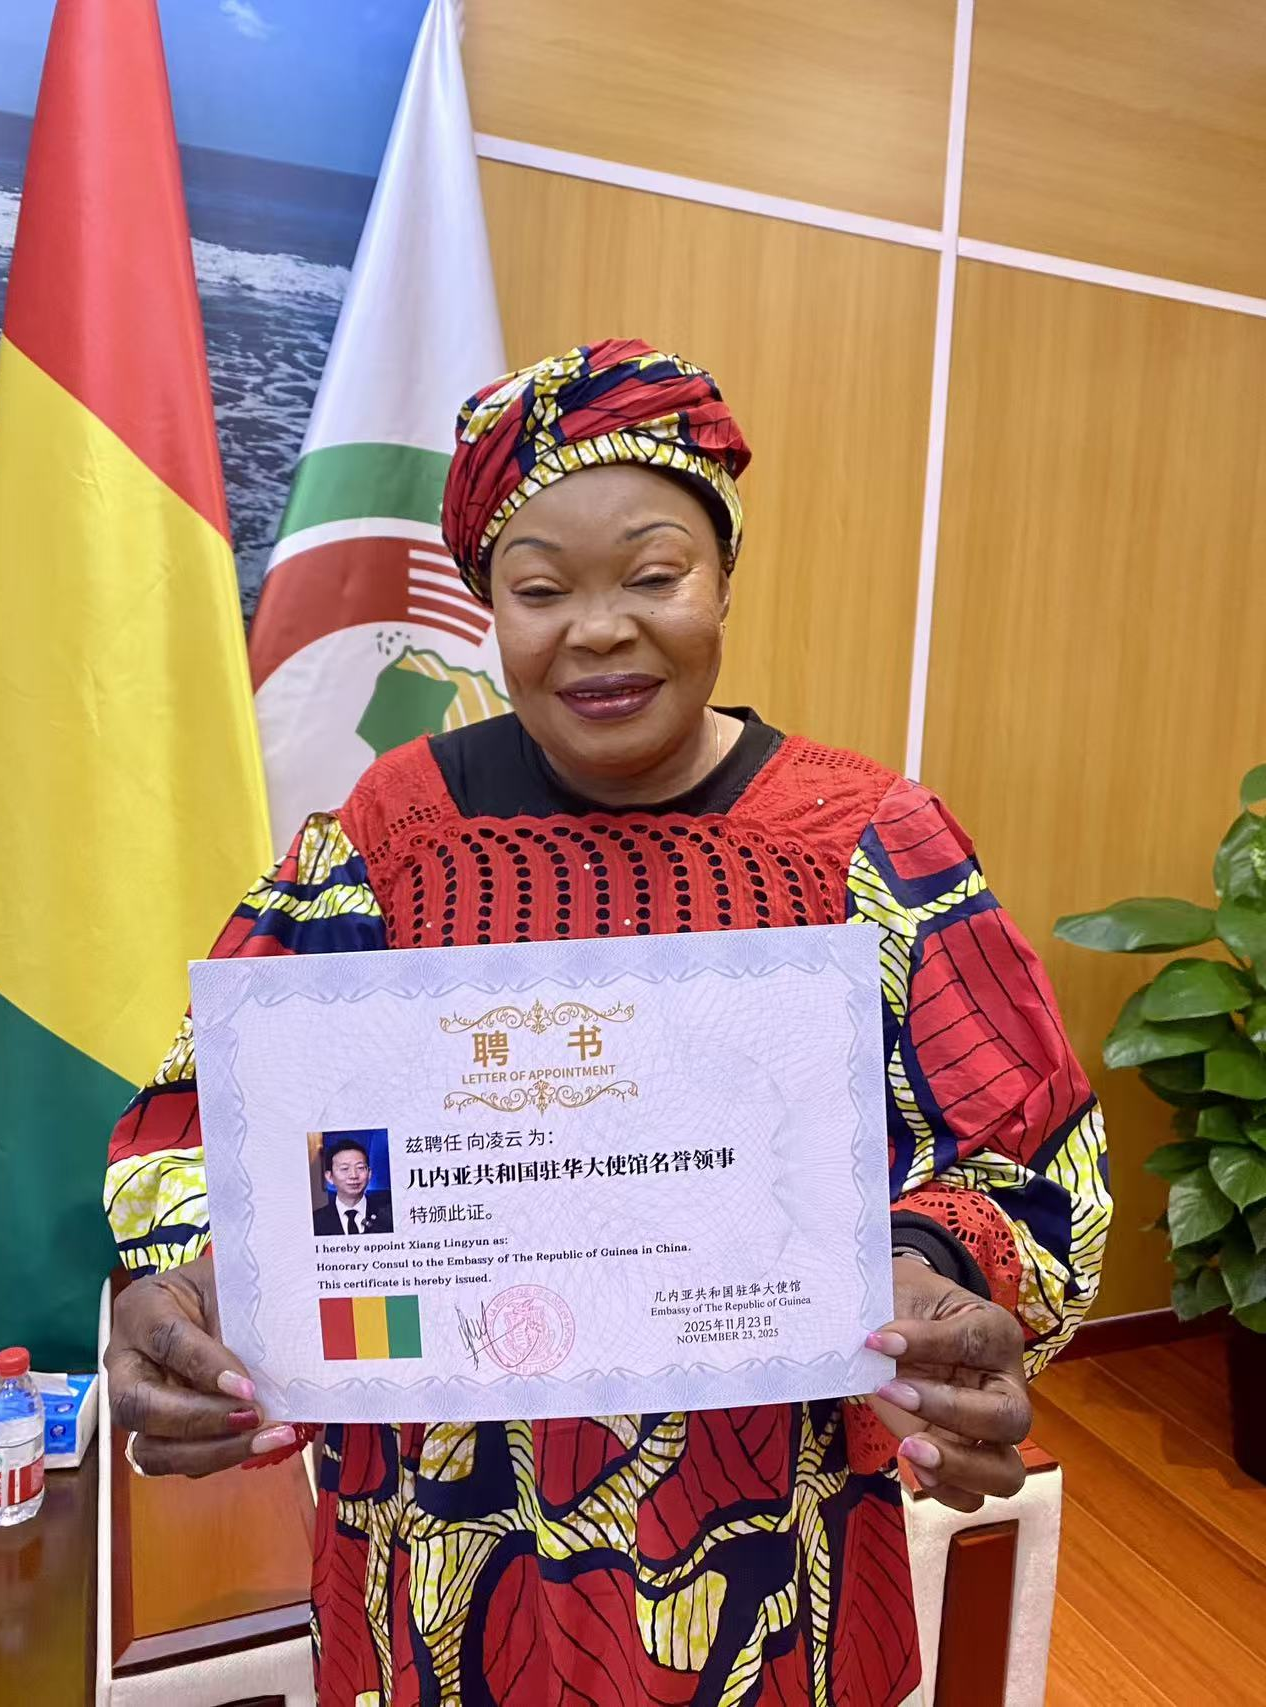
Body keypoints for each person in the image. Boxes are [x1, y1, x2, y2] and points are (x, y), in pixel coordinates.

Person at [103, 339, 1111, 1707]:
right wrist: (199, 1293)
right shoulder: (393, 837)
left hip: (766, 1552)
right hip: (443, 1556)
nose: (597, 628)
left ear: (723, 580)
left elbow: (1027, 1150)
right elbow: (206, 1122)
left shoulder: (866, 839)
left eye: (653, 574)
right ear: (487, 608)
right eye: (540, 589)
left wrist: (929, 1269)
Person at [311, 1134, 392, 1237]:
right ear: (329, 1177)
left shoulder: (389, 1216)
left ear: (369, 1174)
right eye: (344, 1169)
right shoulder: (315, 1222)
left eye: (360, 1168)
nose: (353, 1175)